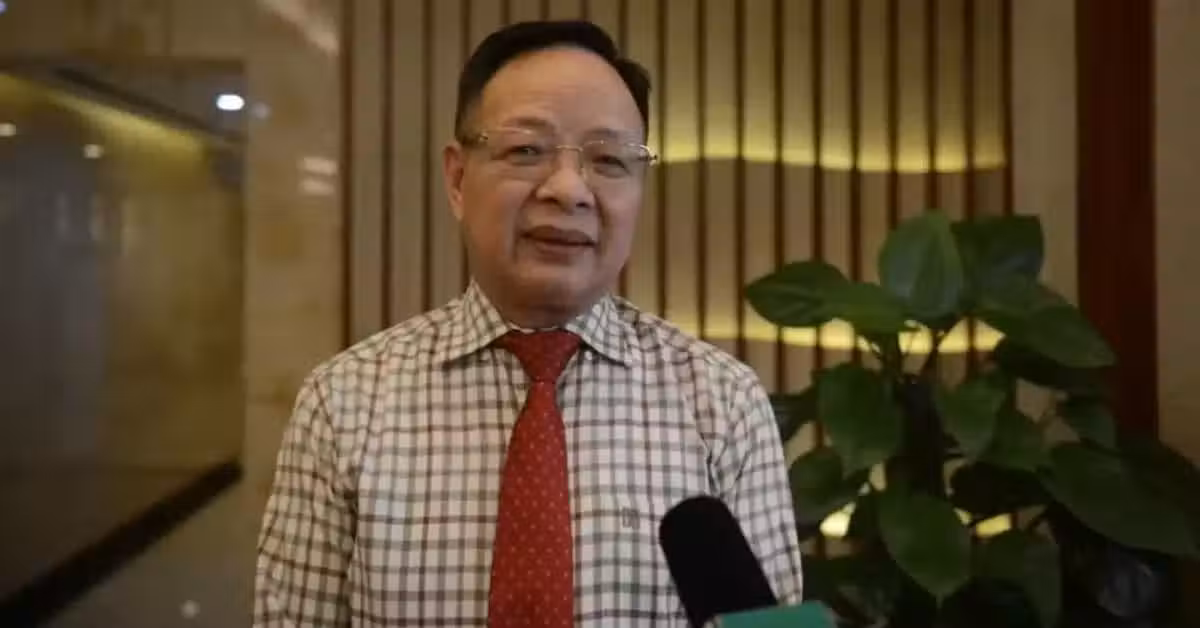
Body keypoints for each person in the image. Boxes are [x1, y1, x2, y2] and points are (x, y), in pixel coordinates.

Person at [254, 19, 803, 627]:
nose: (568, 189)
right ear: (458, 178)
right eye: (525, 150)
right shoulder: (344, 403)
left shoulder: (723, 404)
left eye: (609, 160)